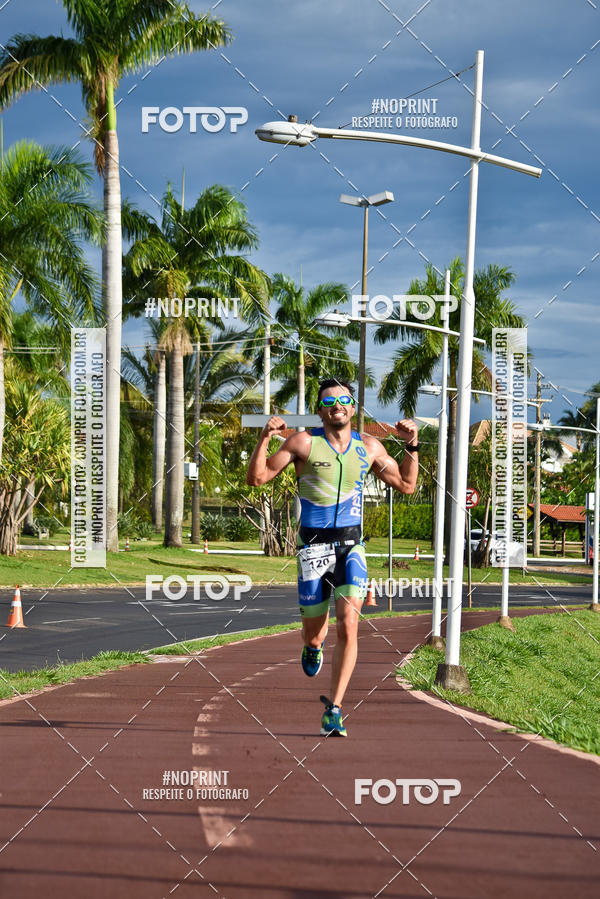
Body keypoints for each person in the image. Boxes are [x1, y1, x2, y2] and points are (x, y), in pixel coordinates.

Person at [246, 378, 419, 737]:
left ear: (353, 407)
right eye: (329, 401)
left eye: (343, 400)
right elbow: (257, 478)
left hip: (351, 546)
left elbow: (406, 484)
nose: (337, 405)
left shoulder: (369, 448)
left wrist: (412, 445)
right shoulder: (303, 443)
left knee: (350, 624)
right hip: (313, 548)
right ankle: (313, 646)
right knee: (313, 636)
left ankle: (335, 709)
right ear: (321, 410)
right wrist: (264, 438)